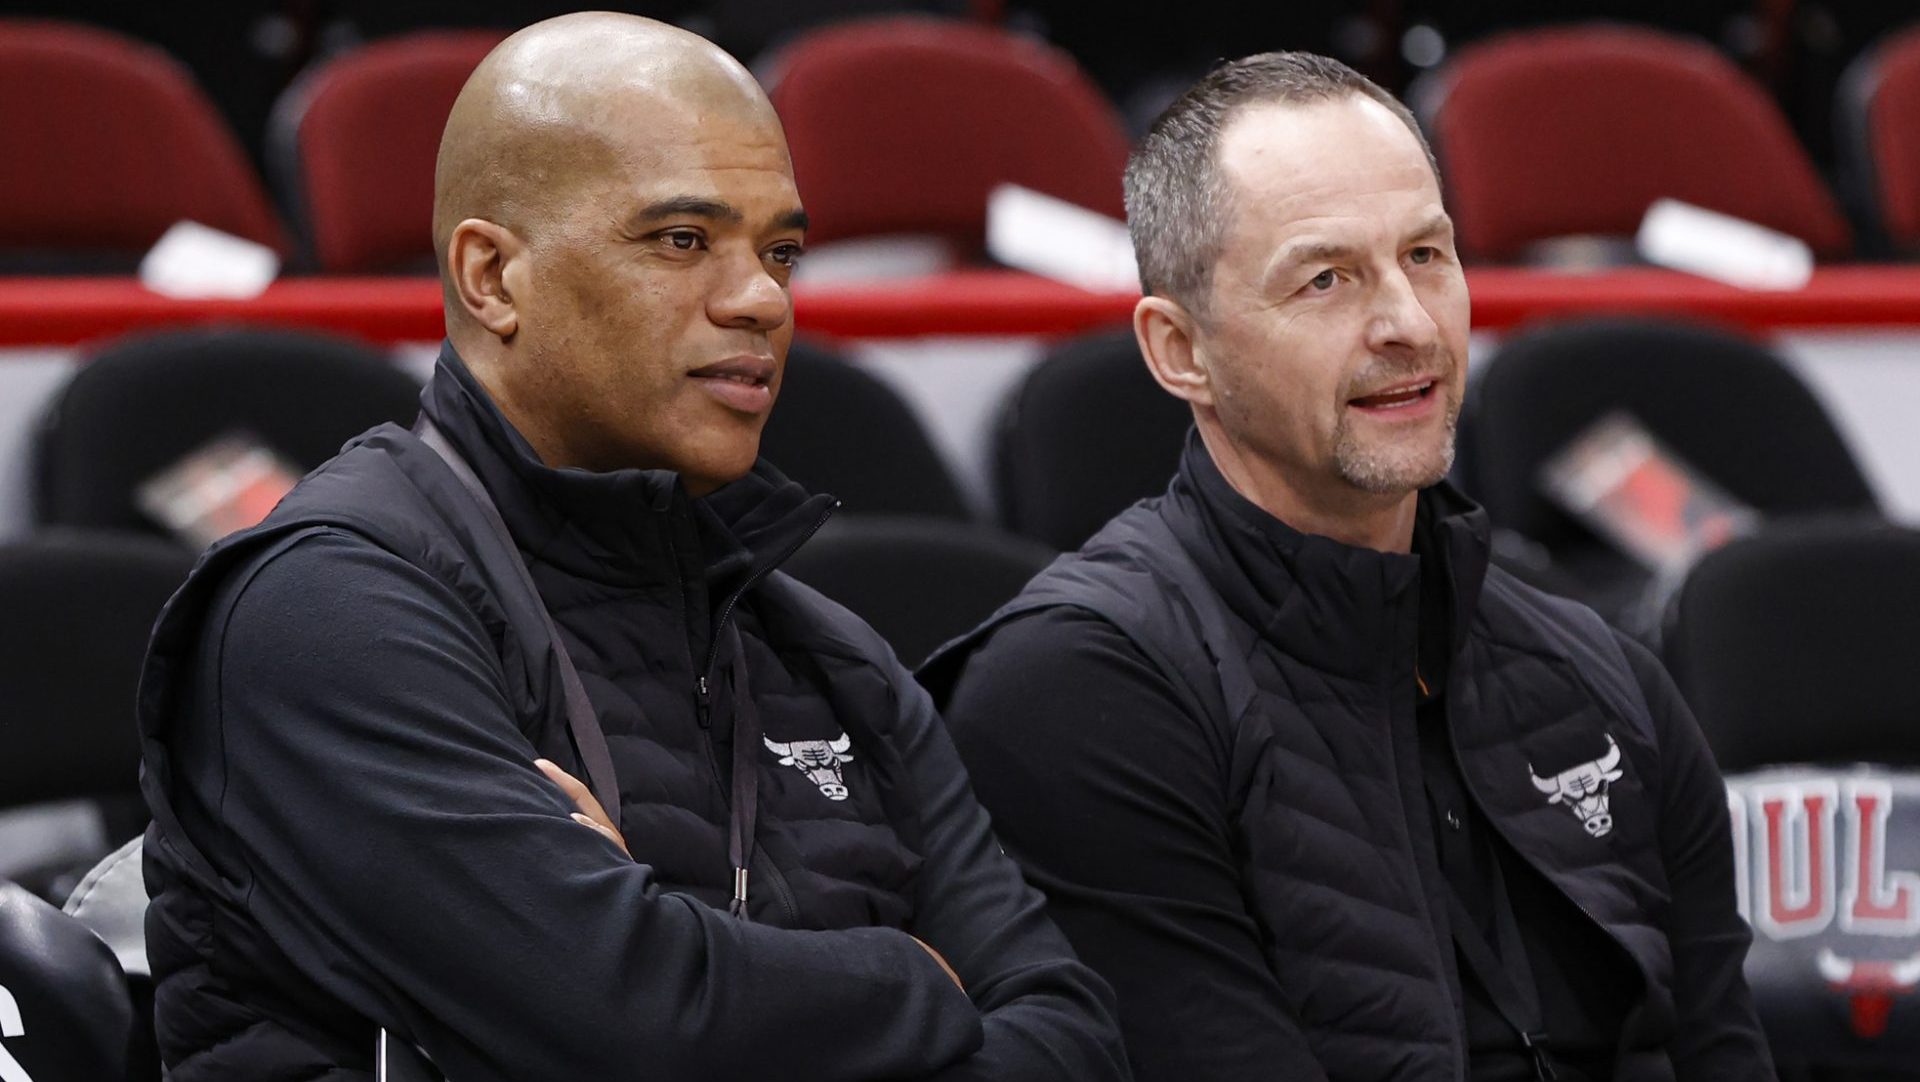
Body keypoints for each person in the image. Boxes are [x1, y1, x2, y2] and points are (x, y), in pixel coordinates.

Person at [136, 14, 1126, 1081]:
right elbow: (634, 1021)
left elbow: (1073, 1037)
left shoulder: (829, 653)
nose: (761, 299)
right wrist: (926, 978)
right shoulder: (324, 605)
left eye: (781, 250)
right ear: (491, 278)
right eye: (682, 239)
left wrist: (692, 971)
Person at [923, 52, 1773, 1082]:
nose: (1409, 324)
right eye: (1327, 278)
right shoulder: (1074, 690)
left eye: (1426, 254)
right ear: (1179, 350)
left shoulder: (1604, 674)